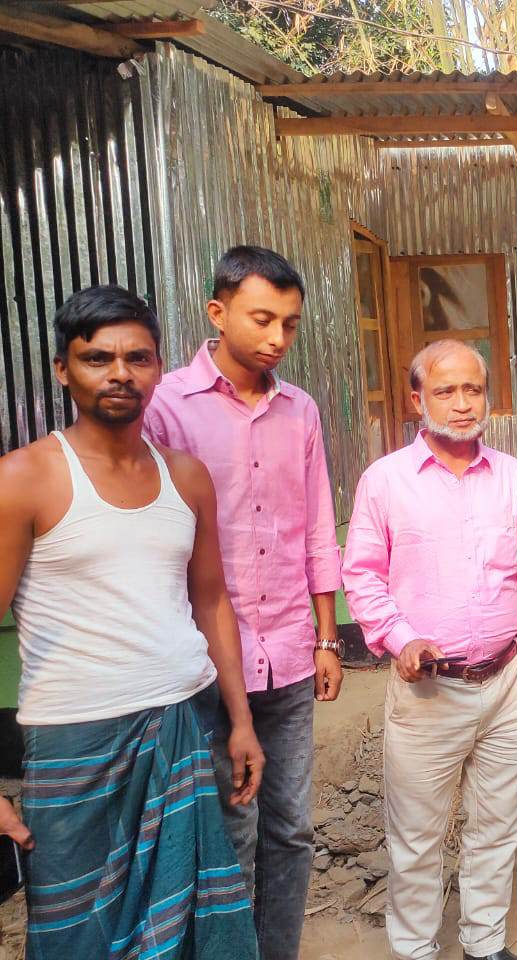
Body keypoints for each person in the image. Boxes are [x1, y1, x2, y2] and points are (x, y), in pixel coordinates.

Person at [0, 285, 264, 958]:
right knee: (76, 934)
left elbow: (211, 602)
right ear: (64, 370)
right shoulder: (25, 478)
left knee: (195, 928)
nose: (120, 373)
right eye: (97, 358)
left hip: (183, 724)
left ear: (157, 368)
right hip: (73, 742)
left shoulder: (186, 477)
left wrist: (239, 722)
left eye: (137, 357)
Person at [144, 246, 342, 960]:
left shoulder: (301, 410)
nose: (277, 338)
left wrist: (326, 635)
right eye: (262, 319)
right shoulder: (164, 406)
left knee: (289, 828)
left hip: (288, 653)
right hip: (201, 663)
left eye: (290, 324)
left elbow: (316, 524)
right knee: (228, 831)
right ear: (218, 312)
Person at [343, 339, 517, 960]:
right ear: (417, 400)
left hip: (506, 677)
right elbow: (362, 575)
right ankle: (414, 949)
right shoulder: (386, 482)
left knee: (498, 826)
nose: (463, 405)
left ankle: (484, 944)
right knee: (417, 835)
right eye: (446, 391)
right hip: (428, 689)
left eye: (474, 390)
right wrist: (400, 638)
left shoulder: (512, 475)